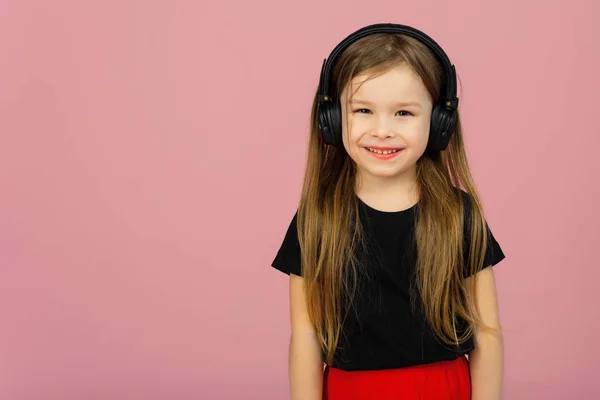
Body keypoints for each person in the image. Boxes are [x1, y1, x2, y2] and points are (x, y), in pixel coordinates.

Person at [270, 23, 506, 400]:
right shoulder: (316, 220)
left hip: (444, 389)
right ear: (331, 120)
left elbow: (487, 336)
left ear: (440, 123)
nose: (382, 130)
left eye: (403, 114)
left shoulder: (459, 215)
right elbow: (305, 337)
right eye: (363, 110)